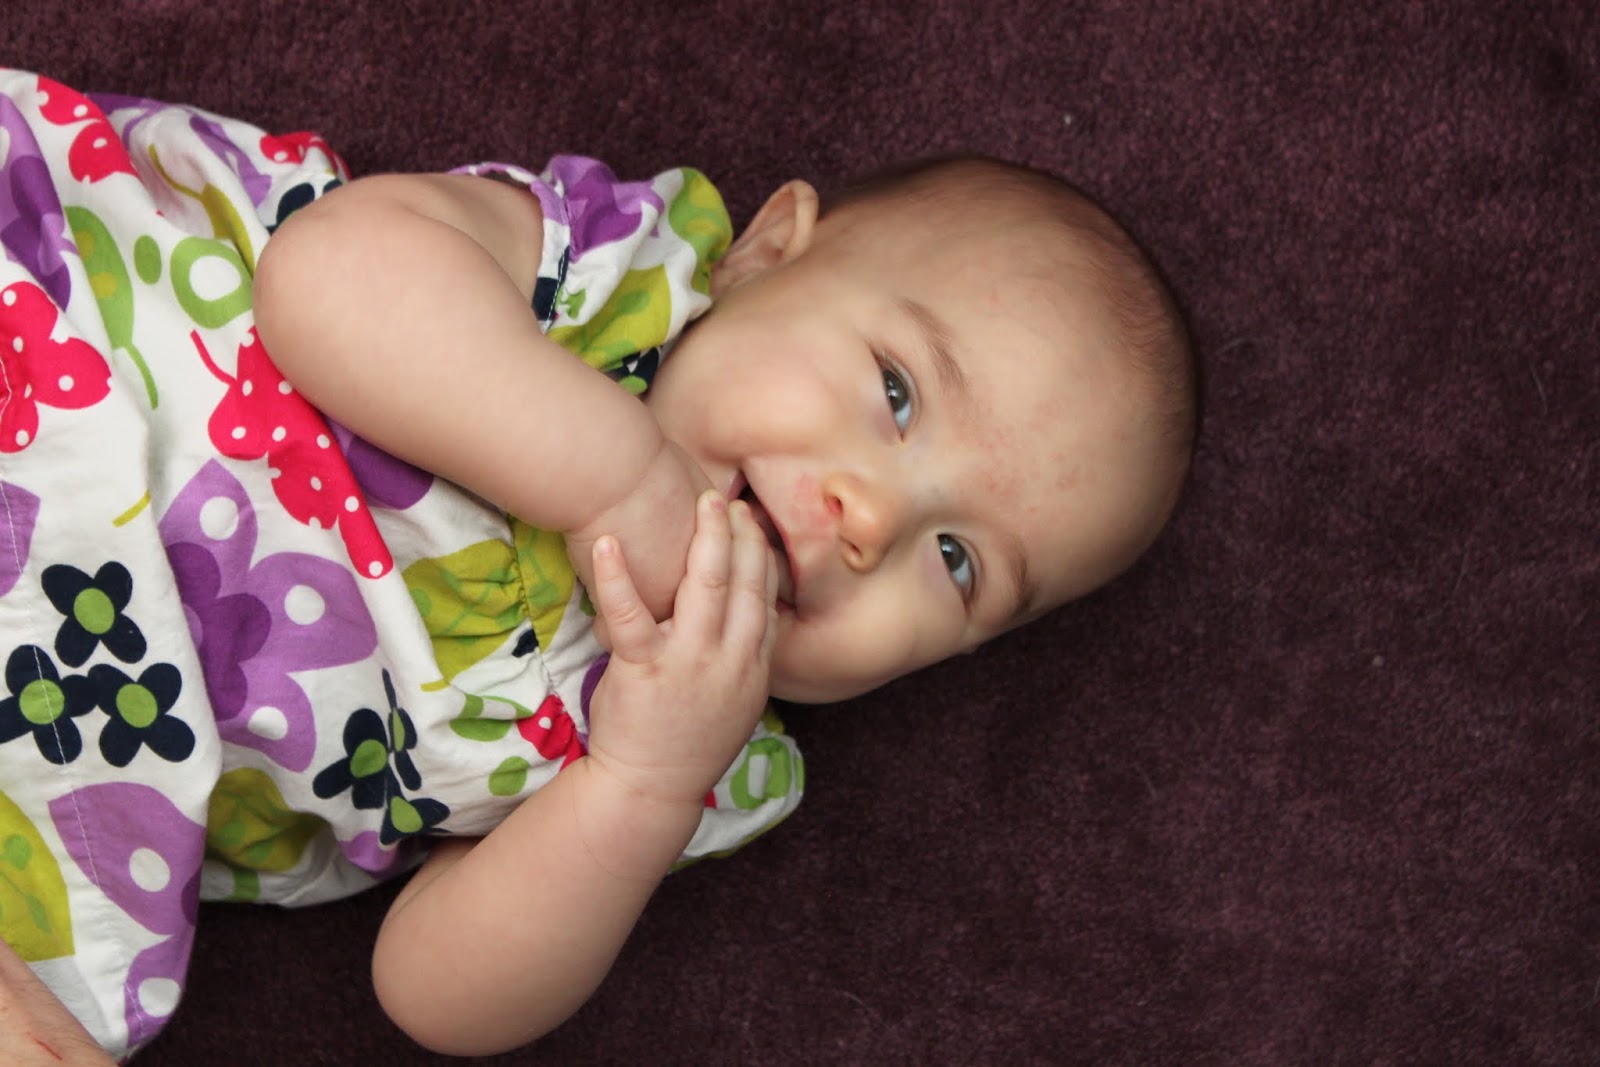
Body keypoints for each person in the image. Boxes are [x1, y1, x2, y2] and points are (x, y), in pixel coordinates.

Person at [0, 69, 1195, 1060]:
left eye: (958, 563)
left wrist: (636, 783)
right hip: (65, 368)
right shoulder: (608, 281)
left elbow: (430, 990)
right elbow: (323, 278)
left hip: (69, 755)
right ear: (765, 254)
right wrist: (614, 479)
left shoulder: (699, 750)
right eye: (894, 391)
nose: (870, 519)